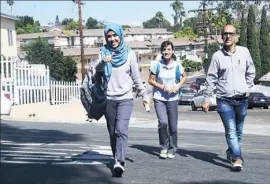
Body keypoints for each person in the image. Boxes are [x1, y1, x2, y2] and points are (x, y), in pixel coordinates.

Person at [94, 23, 150, 177]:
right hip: (109, 99)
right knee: (113, 132)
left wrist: (144, 95)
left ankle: (119, 161)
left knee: (121, 129)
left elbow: (136, 78)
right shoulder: (104, 52)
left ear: (120, 35)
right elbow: (96, 71)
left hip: (125, 98)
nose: (112, 39)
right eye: (109, 36)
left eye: (114, 35)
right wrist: (103, 62)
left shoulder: (130, 54)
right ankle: (116, 155)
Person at [202, 24, 256, 171]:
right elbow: (211, 78)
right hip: (224, 99)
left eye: (231, 34)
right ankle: (238, 158)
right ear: (221, 36)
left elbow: (251, 70)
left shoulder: (244, 52)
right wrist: (206, 99)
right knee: (231, 130)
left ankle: (231, 151)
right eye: (225, 34)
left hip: (241, 99)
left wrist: (248, 86)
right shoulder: (217, 56)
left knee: (238, 131)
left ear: (236, 36)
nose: (228, 36)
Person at [148, 40, 187, 159]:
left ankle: (172, 148)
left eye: (169, 49)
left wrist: (178, 86)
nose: (166, 52)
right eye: (164, 49)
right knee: (163, 123)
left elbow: (184, 77)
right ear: (162, 51)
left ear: (173, 51)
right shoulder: (156, 65)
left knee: (173, 126)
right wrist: (162, 87)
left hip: (173, 98)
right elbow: (150, 80)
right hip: (159, 98)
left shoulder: (177, 65)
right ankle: (164, 147)